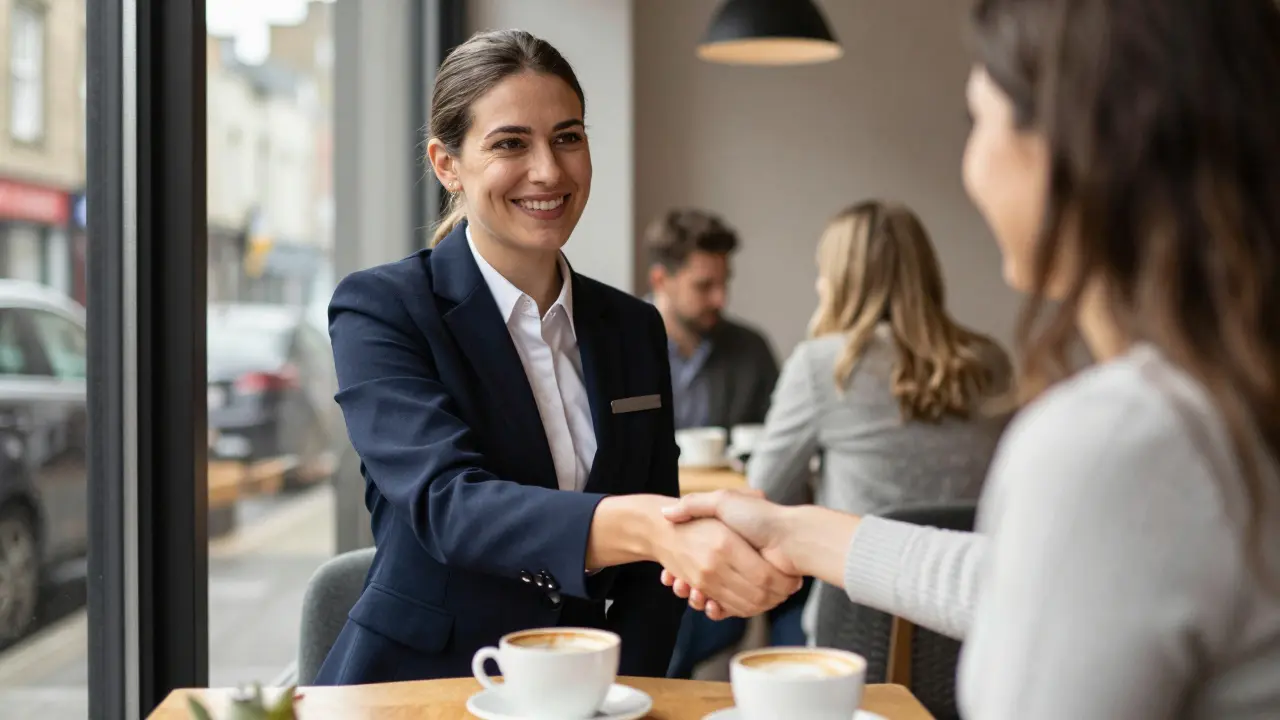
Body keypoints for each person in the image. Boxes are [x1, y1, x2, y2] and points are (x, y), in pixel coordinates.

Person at [660, 0, 1280, 716]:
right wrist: (795, 532)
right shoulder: (1223, 399)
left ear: (1072, 147)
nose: (971, 163)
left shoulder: (1119, 440)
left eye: (976, 119)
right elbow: (1032, 580)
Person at [314, 29, 798, 685]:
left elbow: (654, 572)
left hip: (593, 689)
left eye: (568, 137)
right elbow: (450, 505)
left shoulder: (632, 327)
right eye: (511, 143)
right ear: (446, 163)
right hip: (424, 685)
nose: (549, 169)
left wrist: (626, 688)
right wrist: (650, 527)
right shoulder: (382, 309)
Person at [666, 201, 1011, 678]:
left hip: (861, 634)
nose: (818, 285)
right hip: (975, 625)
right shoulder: (991, 362)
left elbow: (762, 498)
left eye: (822, 273)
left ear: (842, 280)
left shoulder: (822, 365)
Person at [645, 209, 778, 430]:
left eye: (724, 283)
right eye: (704, 286)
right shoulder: (615, 346)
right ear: (660, 280)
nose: (720, 299)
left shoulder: (753, 351)